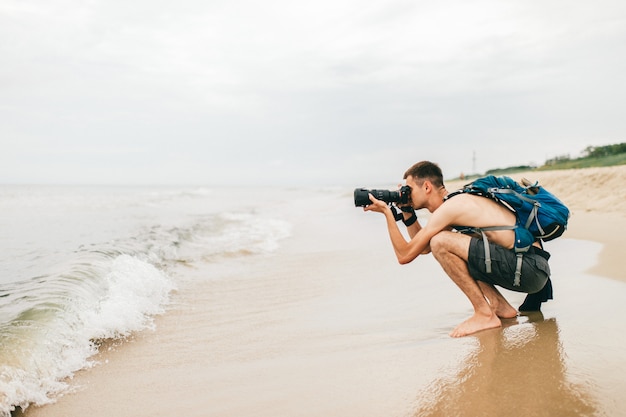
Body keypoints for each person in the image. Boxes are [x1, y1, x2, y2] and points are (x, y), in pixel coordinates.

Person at [363, 161, 552, 337]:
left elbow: (405, 255)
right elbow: (424, 248)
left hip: (529, 268)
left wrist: (387, 213)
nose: (406, 193)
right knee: (450, 243)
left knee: (442, 242)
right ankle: (499, 306)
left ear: (427, 187)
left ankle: (484, 314)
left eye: (409, 189)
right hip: (531, 269)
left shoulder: (451, 207)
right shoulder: (454, 203)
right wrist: (407, 211)